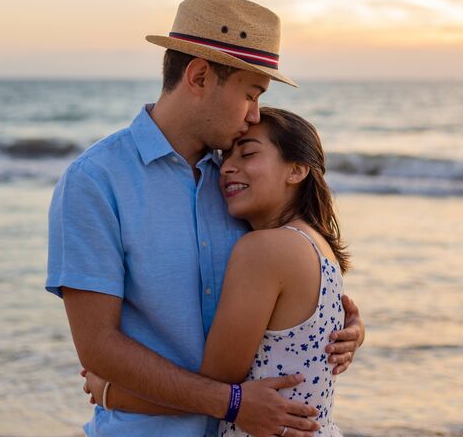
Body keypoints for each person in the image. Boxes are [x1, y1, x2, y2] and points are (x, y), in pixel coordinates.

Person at [46, 0, 364, 437]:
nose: (254, 113)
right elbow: (98, 346)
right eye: (250, 94)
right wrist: (232, 405)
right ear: (198, 76)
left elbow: (292, 283)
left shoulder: (239, 183)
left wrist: (339, 329)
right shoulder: (96, 181)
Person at [84, 107, 352, 436]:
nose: (226, 168)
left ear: (296, 170)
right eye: (225, 157)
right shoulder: (318, 245)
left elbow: (216, 389)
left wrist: (112, 393)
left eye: (249, 153)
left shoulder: (264, 249)